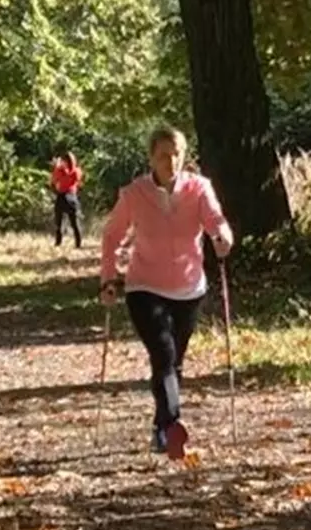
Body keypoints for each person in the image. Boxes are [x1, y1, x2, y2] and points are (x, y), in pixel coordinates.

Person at [100, 126, 233, 459]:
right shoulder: (134, 194)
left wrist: (222, 236)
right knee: (163, 355)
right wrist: (108, 277)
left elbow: (215, 218)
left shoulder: (199, 188)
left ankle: (161, 427)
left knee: (174, 363)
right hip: (145, 286)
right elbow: (112, 235)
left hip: (189, 287)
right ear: (151, 159)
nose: (170, 161)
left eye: (176, 154)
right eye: (163, 155)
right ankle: (172, 427)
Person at [50, 151, 84, 248]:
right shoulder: (77, 171)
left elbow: (53, 181)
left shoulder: (60, 170)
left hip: (62, 196)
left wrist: (57, 166)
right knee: (75, 223)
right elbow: (78, 180)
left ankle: (58, 243)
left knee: (59, 223)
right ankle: (78, 244)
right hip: (72, 196)